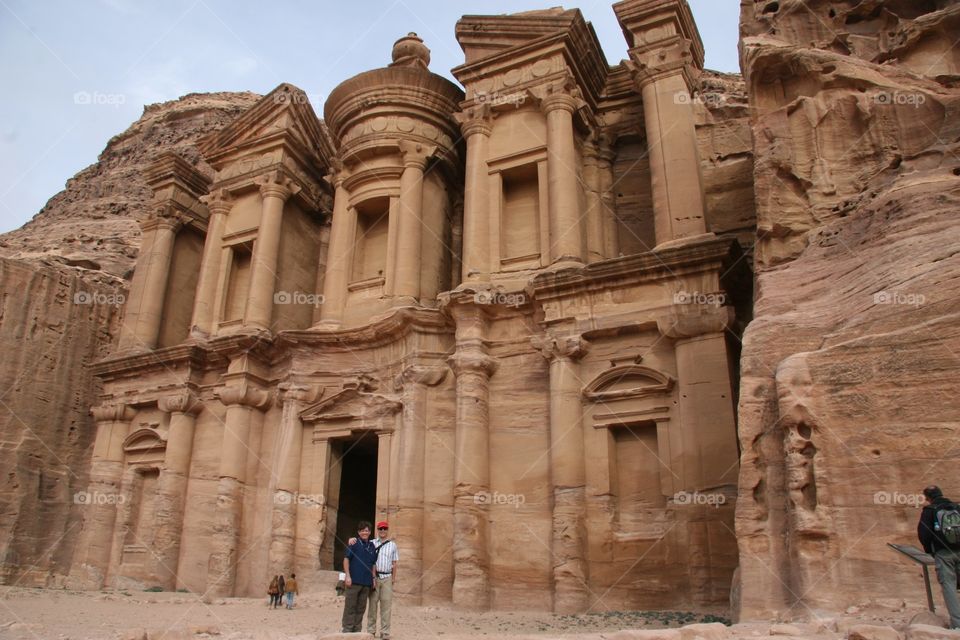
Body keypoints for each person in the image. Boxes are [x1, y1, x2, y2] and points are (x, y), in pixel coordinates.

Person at [918, 485, 960, 628]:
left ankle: (958, 624)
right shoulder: (956, 507)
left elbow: (924, 534)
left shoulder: (929, 511)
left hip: (943, 553)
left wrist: (930, 551)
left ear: (928, 498)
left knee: (949, 587)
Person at [342, 521, 377, 633]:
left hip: (366, 582)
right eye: (362, 531)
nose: (364, 533)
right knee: (350, 606)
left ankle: (357, 629)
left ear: (370, 532)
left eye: (366, 530)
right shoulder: (354, 543)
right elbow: (346, 559)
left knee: (361, 608)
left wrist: (373, 578)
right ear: (358, 532)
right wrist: (347, 576)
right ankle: (347, 628)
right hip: (354, 580)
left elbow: (373, 564)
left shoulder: (372, 546)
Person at [367, 521, 399, 640]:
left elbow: (394, 563)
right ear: (377, 530)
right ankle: (371, 630)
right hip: (375, 577)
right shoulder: (371, 543)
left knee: (386, 606)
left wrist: (393, 579)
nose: (383, 531)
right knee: (372, 605)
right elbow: (360, 544)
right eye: (380, 529)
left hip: (387, 577)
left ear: (387, 530)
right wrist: (352, 539)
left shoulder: (393, 545)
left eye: (385, 529)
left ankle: (385, 632)